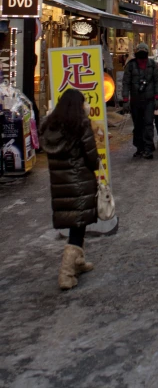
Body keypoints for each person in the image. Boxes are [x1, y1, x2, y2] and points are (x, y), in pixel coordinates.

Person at [39, 89, 99, 290]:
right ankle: (66, 274)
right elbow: (90, 155)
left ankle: (79, 262)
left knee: (76, 221)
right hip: (79, 180)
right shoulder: (80, 124)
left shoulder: (50, 126)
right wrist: (96, 166)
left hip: (59, 183)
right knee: (78, 224)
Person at [122, 42, 158, 159]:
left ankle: (148, 148)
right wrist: (125, 100)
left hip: (149, 100)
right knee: (137, 125)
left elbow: (157, 82)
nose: (142, 52)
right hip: (135, 100)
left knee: (148, 124)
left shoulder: (153, 65)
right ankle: (139, 147)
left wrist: (157, 98)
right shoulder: (130, 65)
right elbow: (126, 83)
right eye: (140, 50)